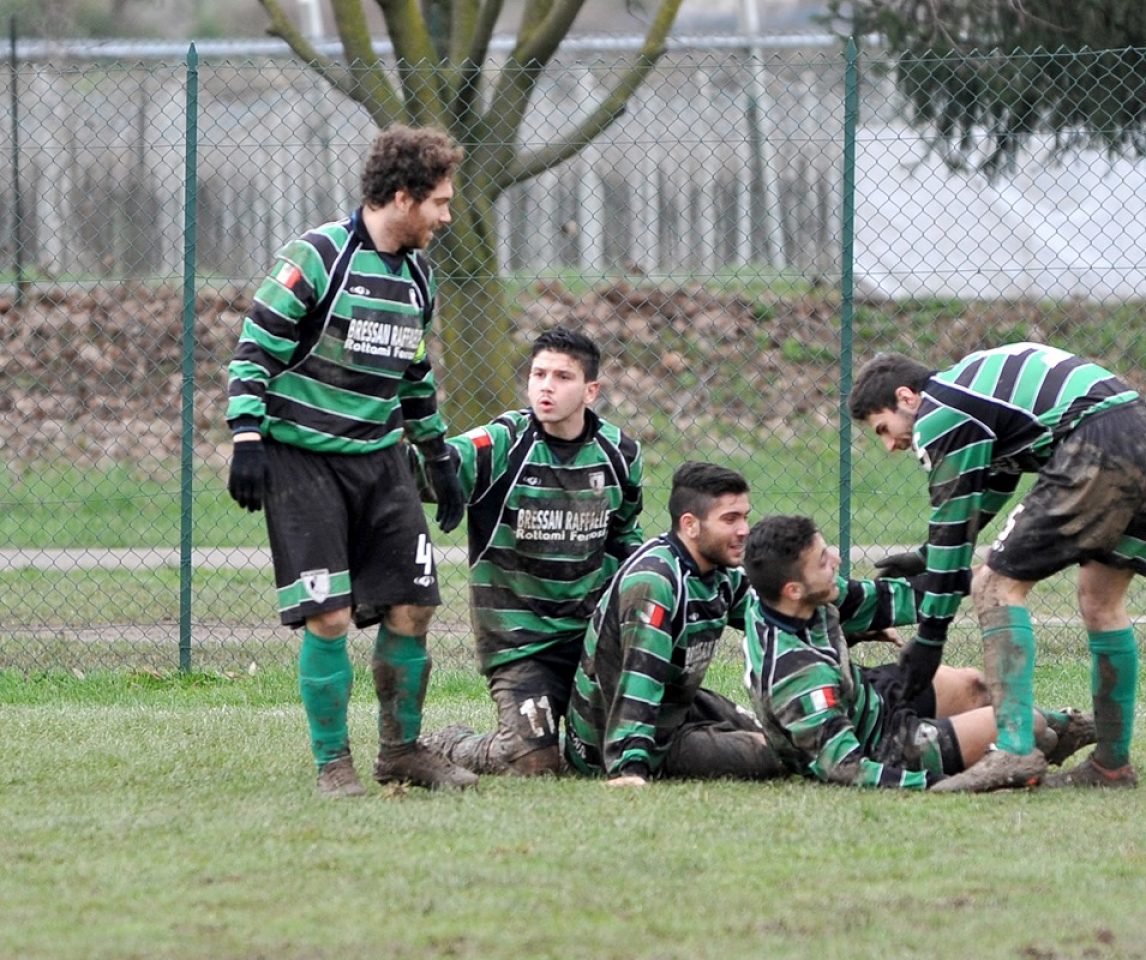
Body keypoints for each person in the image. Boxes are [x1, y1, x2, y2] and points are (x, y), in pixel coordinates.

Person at [224, 125, 476, 797]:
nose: (448, 218)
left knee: (412, 607)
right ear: (402, 197)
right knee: (329, 616)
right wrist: (247, 439)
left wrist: (437, 455)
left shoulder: (418, 276)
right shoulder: (318, 258)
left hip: (380, 457)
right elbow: (254, 353)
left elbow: (414, 376)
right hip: (302, 458)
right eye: (441, 203)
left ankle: (402, 752)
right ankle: (333, 764)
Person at [848, 343, 1146, 791]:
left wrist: (928, 642)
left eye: (884, 428)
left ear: (907, 397)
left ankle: (1015, 752)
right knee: (1101, 603)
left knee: (994, 588)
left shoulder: (940, 412)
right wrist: (927, 556)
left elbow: (954, 524)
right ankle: (1111, 766)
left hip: (1095, 440)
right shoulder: (968, 389)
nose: (889, 445)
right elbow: (993, 481)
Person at [418, 327, 644, 776]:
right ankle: (452, 743)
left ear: (590, 390)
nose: (546, 385)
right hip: (520, 645)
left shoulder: (620, 453)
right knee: (535, 762)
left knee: (610, 753)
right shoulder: (504, 442)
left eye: (563, 376)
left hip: (590, 639)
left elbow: (626, 539)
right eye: (539, 373)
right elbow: (439, 465)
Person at [740, 514, 1094, 790]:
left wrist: (995, 574)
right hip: (880, 744)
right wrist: (937, 785)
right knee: (1028, 726)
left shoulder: (795, 599)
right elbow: (845, 767)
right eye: (821, 561)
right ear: (793, 589)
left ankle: (1069, 728)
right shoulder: (798, 677)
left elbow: (901, 597)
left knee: (975, 685)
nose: (834, 560)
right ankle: (1038, 740)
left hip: (869, 696)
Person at [564, 462, 785, 786]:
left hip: (675, 708)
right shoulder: (654, 583)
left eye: (745, 517)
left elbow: (775, 609)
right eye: (730, 519)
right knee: (774, 754)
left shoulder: (716, 572)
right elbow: (640, 679)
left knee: (790, 735)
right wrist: (631, 768)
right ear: (690, 525)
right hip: (615, 737)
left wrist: (860, 621)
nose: (744, 530)